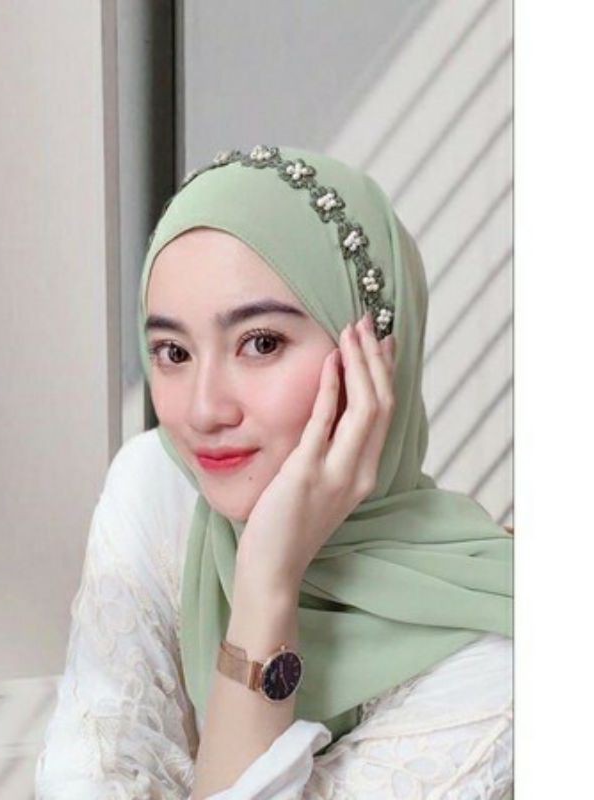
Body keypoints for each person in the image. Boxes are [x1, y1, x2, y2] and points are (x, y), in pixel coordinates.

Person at [35, 145, 513, 799]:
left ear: (377, 359)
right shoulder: (161, 488)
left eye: (261, 343)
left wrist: (266, 583)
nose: (204, 410)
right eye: (173, 352)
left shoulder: (501, 661)